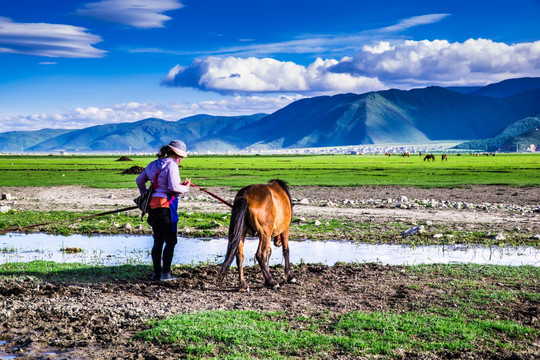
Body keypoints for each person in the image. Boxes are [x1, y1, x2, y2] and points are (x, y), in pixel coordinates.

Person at [136, 140, 191, 281]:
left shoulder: (153, 164)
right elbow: (173, 187)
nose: (181, 159)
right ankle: (166, 274)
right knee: (171, 241)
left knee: (158, 241)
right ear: (177, 154)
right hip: (165, 206)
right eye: (182, 157)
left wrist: (145, 196)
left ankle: (156, 273)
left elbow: (139, 180)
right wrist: (186, 188)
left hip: (153, 207)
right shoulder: (172, 165)